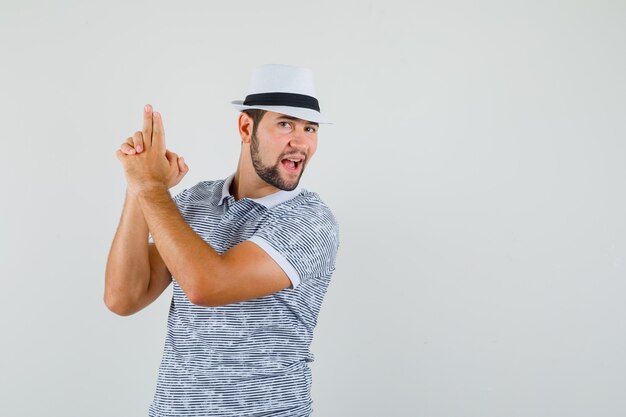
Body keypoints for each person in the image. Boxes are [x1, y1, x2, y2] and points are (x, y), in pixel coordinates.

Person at [104, 64, 340, 417]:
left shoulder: (310, 220)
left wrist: (153, 187)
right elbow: (123, 298)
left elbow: (208, 285)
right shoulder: (195, 201)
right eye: (286, 124)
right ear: (246, 127)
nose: (301, 142)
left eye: (310, 128)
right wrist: (138, 184)